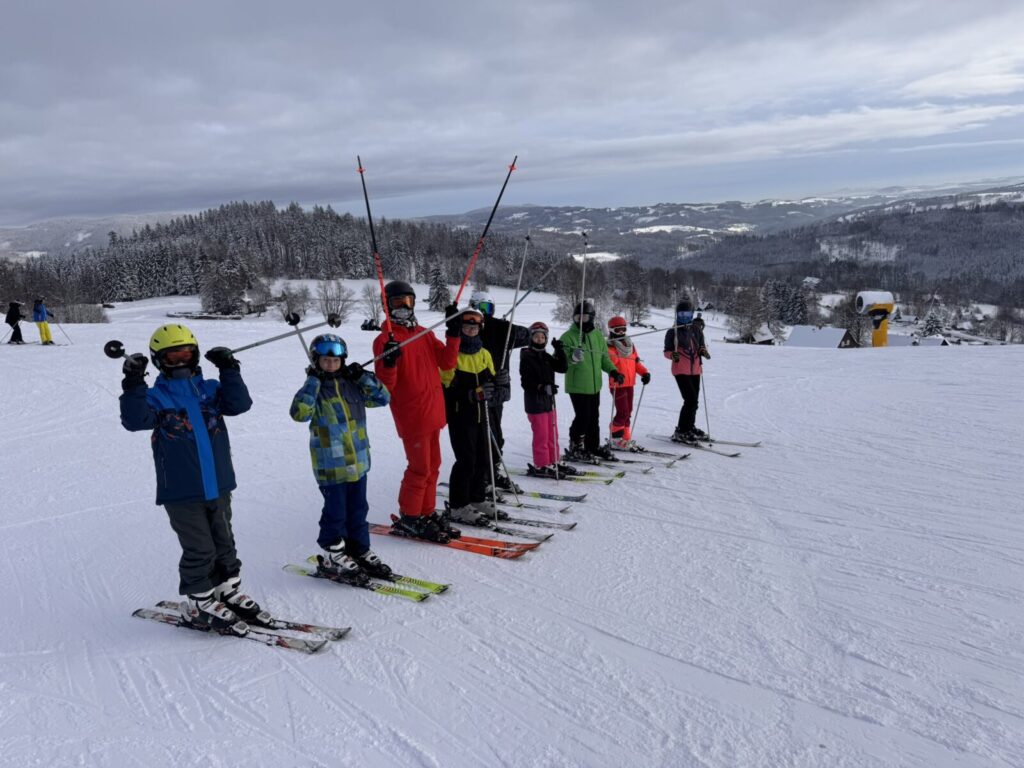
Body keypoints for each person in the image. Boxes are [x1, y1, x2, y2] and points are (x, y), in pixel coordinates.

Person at [119, 324, 265, 630]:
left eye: (185, 355)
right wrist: (133, 382)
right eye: (171, 358)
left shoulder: (209, 390)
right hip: (181, 490)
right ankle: (199, 601)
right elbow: (134, 420)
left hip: (219, 483)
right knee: (200, 547)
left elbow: (240, 404)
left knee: (224, 541)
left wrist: (229, 369)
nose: (180, 362)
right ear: (158, 361)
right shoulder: (156, 397)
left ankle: (226, 589)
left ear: (195, 355)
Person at [290, 333, 392, 583]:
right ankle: (333, 552)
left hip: (358, 462)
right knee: (336, 512)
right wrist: (313, 381)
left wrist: (363, 376)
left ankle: (359, 549)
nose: (331, 365)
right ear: (315, 361)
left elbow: (383, 398)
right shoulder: (315, 390)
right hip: (331, 466)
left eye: (336, 361)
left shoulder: (352, 385)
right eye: (325, 361)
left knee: (358, 510)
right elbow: (300, 413)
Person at [372, 280, 462, 542]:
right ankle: (410, 517)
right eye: (397, 302)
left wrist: (454, 333)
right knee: (420, 468)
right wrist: (389, 362)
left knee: (434, 466)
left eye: (407, 301)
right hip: (412, 415)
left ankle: (426, 511)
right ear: (387, 306)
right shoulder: (385, 340)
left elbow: (447, 362)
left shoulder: (424, 334)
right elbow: (385, 387)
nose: (403, 306)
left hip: (433, 411)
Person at [439, 308, 501, 525]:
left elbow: (491, 381)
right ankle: (458, 505)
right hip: (461, 417)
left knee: (483, 458)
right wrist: (470, 395)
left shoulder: (484, 354)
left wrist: (498, 384)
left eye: (474, 327)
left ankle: (476, 498)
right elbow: (446, 389)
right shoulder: (452, 355)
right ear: (461, 329)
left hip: (482, 415)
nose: (471, 330)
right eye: (466, 327)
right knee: (466, 461)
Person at [467, 290, 531, 493]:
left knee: (497, 435)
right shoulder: (468, 330)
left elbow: (527, 336)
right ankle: (482, 475)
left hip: (498, 391)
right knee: (484, 436)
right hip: (477, 392)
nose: (483, 313)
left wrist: (508, 327)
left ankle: (492, 471)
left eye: (486, 308)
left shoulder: (500, 330)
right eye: (478, 308)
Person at [559, 300, 625, 462]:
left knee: (594, 417)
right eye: (577, 317)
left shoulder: (597, 336)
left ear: (592, 317)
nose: (581, 321)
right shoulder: (568, 337)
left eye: (585, 317)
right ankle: (575, 445)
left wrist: (613, 371)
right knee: (583, 417)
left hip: (594, 385)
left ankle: (592, 446)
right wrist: (572, 357)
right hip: (577, 385)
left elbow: (604, 358)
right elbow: (559, 363)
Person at [519, 321, 576, 478]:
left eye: (542, 337)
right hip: (535, 403)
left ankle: (554, 460)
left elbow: (562, 368)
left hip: (548, 402)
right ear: (531, 338)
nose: (540, 339)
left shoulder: (545, 356)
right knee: (542, 435)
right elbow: (526, 382)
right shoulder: (527, 356)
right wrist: (542, 387)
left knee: (552, 433)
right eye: (536, 336)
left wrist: (559, 350)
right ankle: (542, 464)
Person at [664, 298, 711, 442]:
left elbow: (701, 346)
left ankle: (690, 427)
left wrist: (703, 351)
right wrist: (672, 355)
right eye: (682, 315)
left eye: (688, 315)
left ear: (692, 315)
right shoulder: (673, 332)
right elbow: (666, 351)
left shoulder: (696, 330)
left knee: (694, 401)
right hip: (681, 370)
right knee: (690, 400)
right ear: (677, 315)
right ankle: (682, 431)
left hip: (695, 370)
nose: (685, 317)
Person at [606, 316, 651, 450]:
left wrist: (644, 373)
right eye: (617, 330)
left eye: (623, 329)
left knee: (628, 412)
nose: (621, 332)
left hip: (630, 383)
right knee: (623, 412)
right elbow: (610, 364)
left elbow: (635, 362)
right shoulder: (609, 346)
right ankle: (615, 437)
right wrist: (615, 370)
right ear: (611, 330)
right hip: (617, 384)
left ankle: (626, 438)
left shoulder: (630, 345)